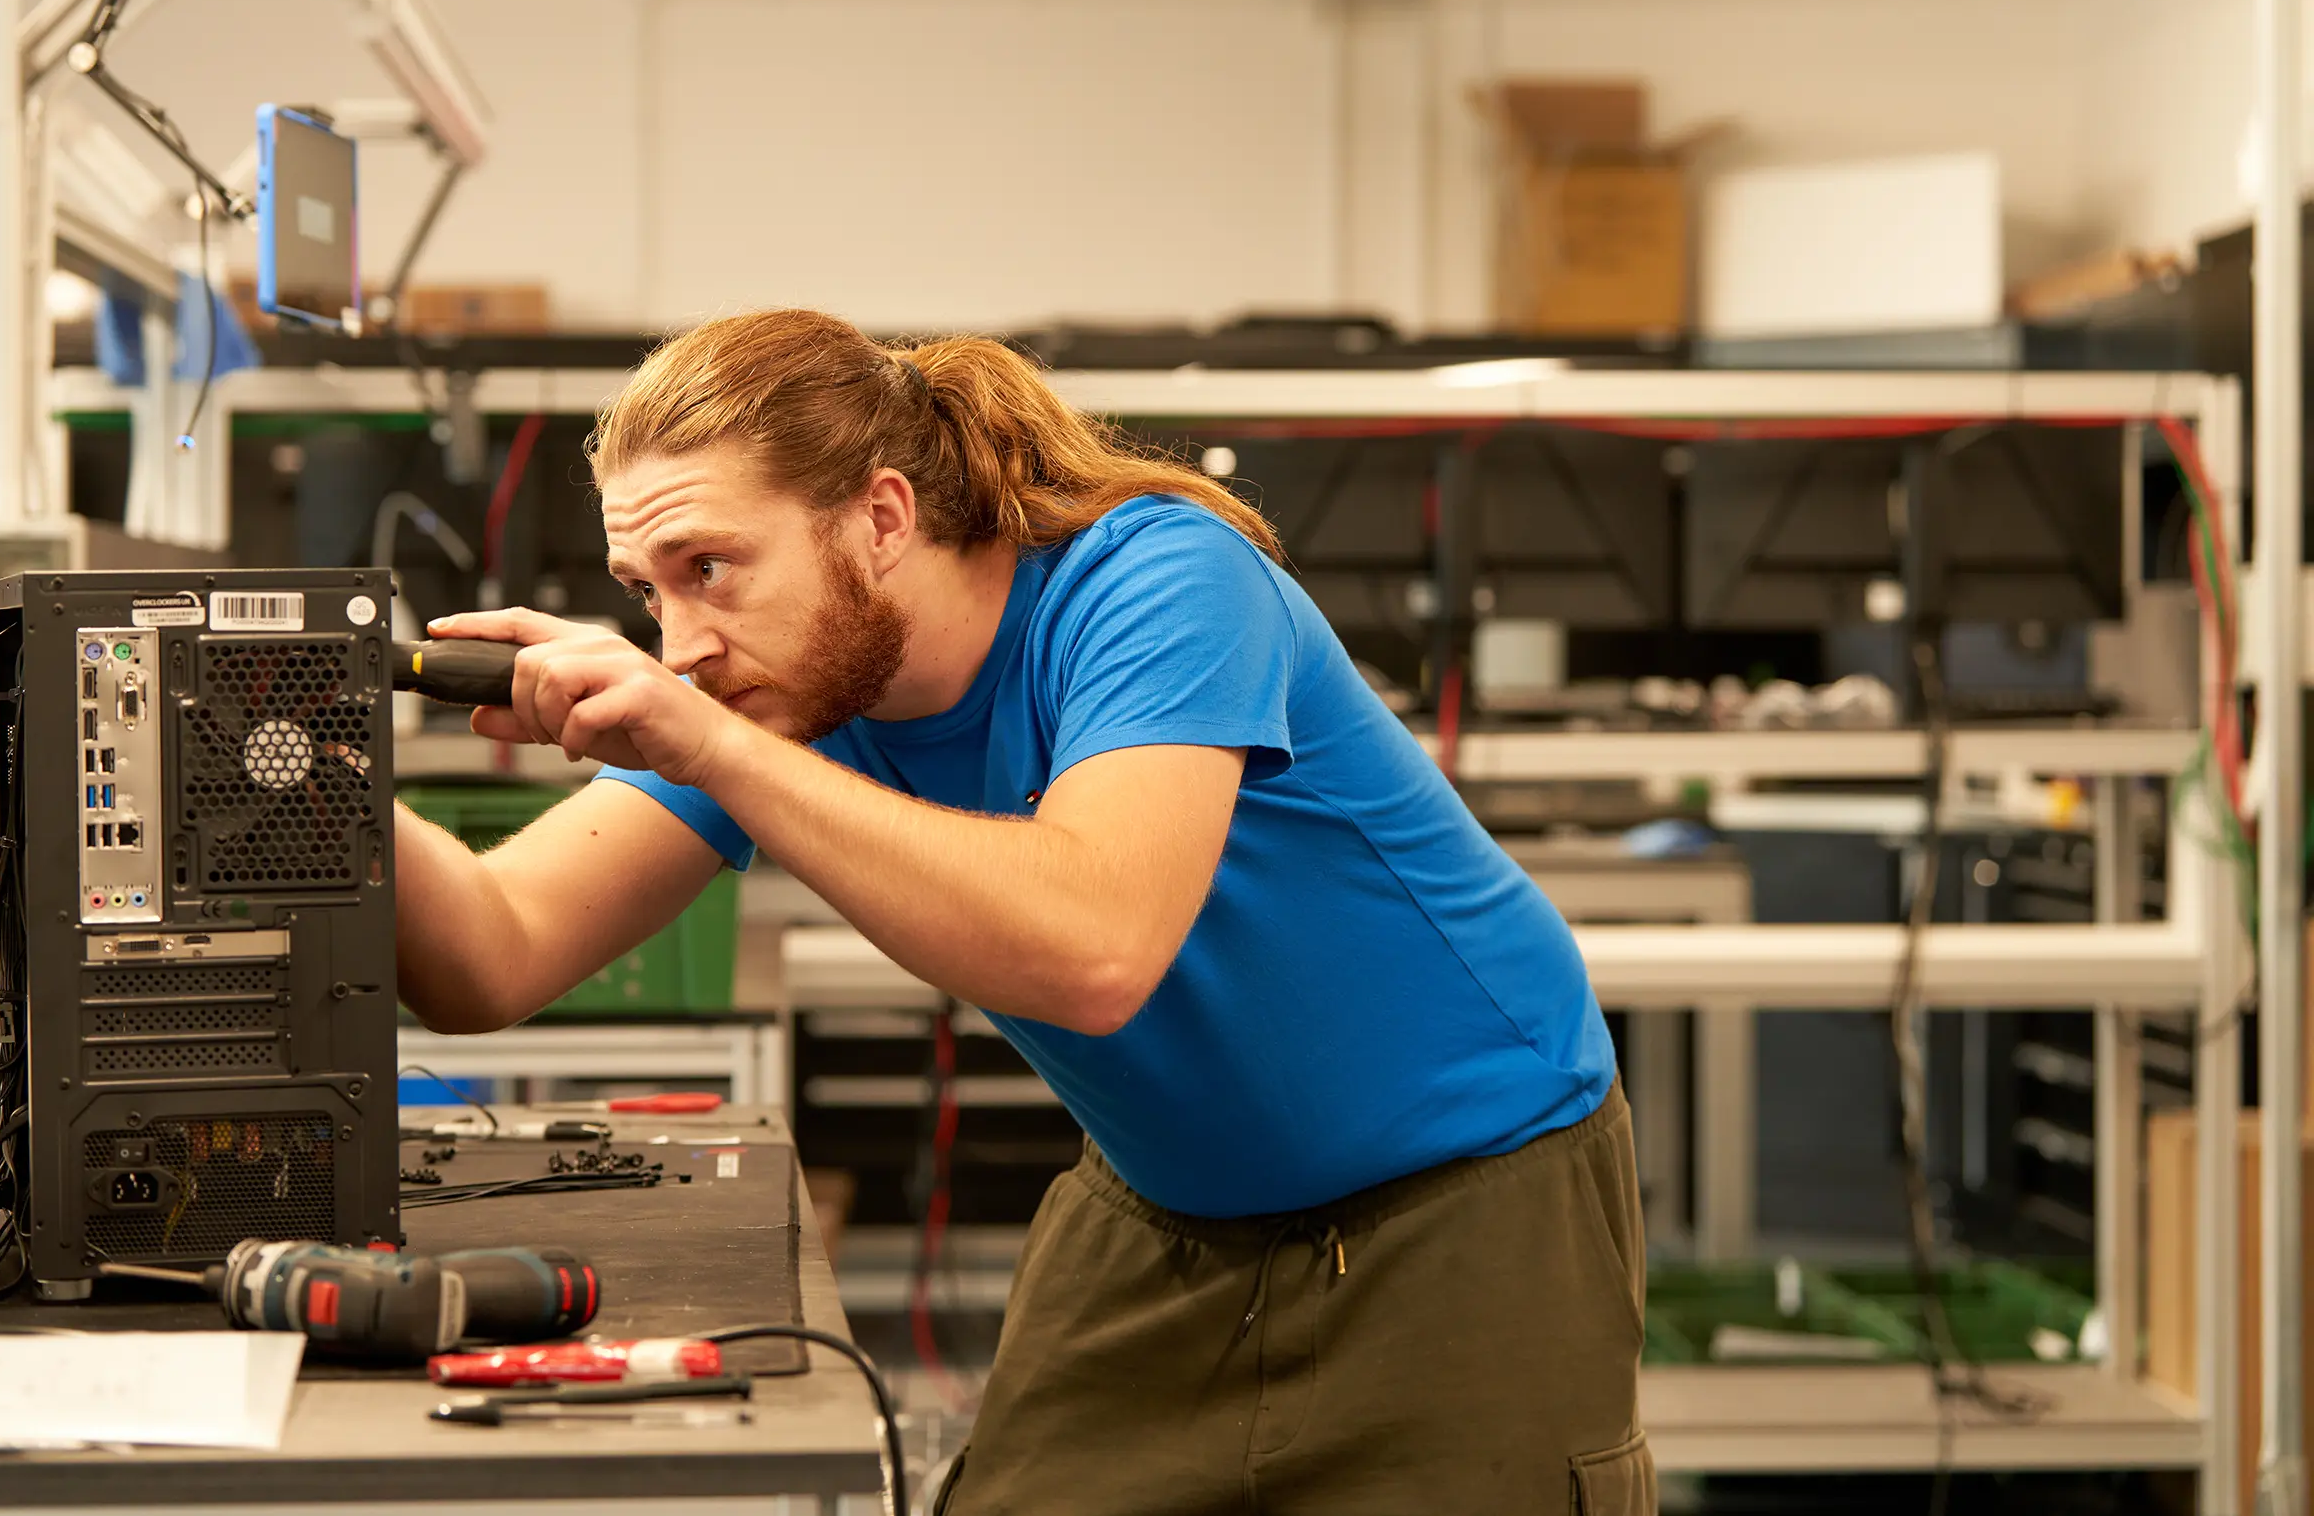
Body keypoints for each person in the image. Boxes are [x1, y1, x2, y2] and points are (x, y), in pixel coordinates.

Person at [395, 307, 1654, 1516]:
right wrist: (296, 749)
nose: (680, 643)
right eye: (649, 588)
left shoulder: (1158, 579)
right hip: (1168, 1208)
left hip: (1468, 1204)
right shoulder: (782, 696)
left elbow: (1096, 950)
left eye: (710, 568)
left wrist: (706, 748)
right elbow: (492, 956)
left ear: (880, 518)